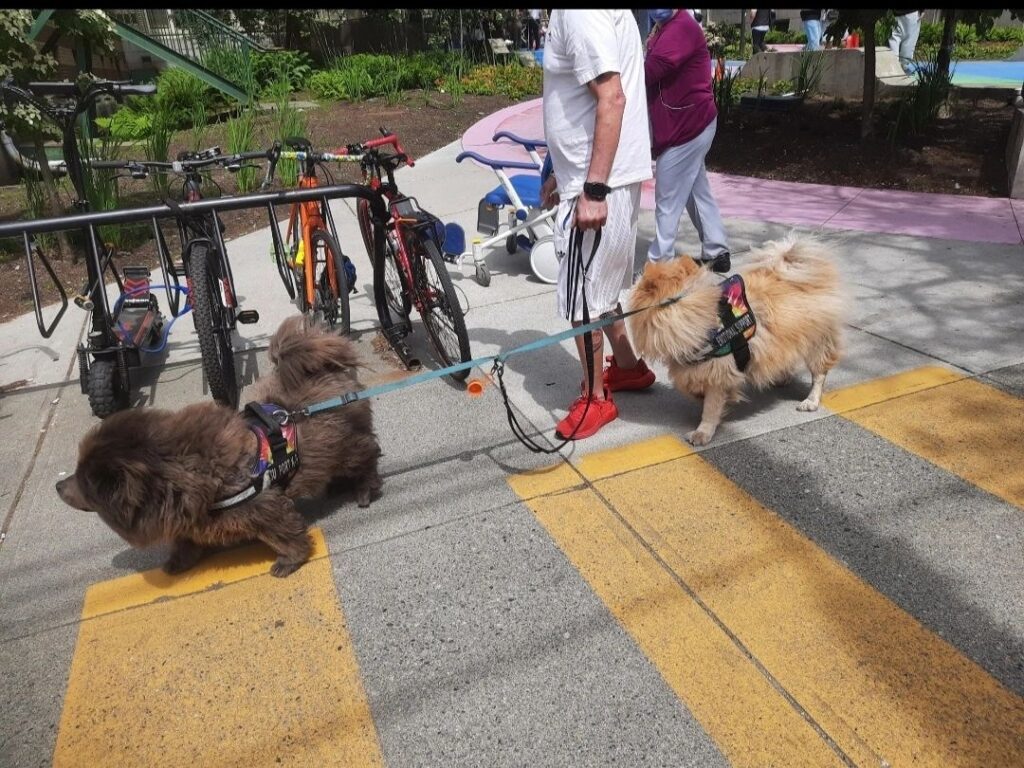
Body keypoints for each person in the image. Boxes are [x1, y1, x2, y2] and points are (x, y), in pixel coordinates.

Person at [539, 9, 656, 440]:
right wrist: (565, 174)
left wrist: (592, 189)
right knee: (602, 286)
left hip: (602, 182)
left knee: (582, 300)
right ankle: (627, 367)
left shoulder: (579, 10)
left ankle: (595, 400)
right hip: (605, 175)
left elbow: (612, 97)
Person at [645, 9, 730, 273]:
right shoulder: (665, 28)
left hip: (688, 126)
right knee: (695, 189)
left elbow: (650, 71)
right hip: (689, 123)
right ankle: (717, 250)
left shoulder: (681, 27)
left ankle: (659, 265)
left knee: (667, 196)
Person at [890, 9, 923, 74]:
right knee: (909, 42)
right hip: (912, 13)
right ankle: (903, 67)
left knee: (894, 39)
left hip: (894, 13)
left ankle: (893, 65)